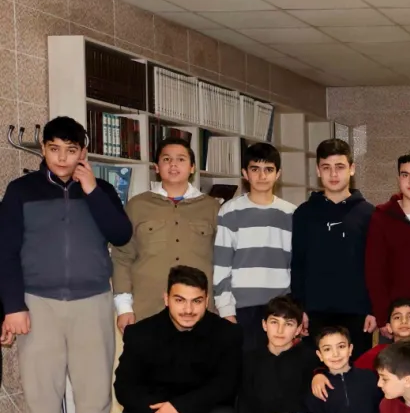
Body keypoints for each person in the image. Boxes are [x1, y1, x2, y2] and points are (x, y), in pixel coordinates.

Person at [1, 116, 132, 413]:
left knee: (94, 389)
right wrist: (12, 306)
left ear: (83, 153)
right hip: (37, 303)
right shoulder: (20, 191)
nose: (62, 158)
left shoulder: (101, 189)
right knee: (41, 390)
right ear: (43, 149)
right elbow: (5, 252)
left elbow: (121, 234)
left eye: (71, 150)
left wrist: (91, 191)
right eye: (54, 149)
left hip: (92, 300)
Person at [110, 266, 242, 413]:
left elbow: (227, 384)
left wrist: (179, 409)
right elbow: (125, 387)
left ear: (206, 301)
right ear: (166, 299)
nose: (188, 310)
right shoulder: (141, 333)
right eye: (180, 300)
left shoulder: (226, 333)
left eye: (196, 301)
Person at [113, 136, 220, 328]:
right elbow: (122, 257)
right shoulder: (137, 205)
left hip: (198, 312)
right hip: (147, 309)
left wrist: (225, 308)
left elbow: (223, 261)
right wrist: (123, 308)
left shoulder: (212, 207)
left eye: (181, 159)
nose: (173, 164)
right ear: (156, 167)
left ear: (192, 168)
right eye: (166, 159)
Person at [292, 138, 376, 359]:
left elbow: (375, 267)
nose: (333, 174)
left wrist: (373, 310)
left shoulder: (369, 214)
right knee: (317, 373)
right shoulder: (304, 213)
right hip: (315, 313)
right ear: (318, 171)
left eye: (340, 166)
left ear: (352, 169)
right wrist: (299, 308)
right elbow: (298, 264)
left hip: (357, 313)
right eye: (326, 167)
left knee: (357, 372)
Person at [213, 142, 294, 353]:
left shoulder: (291, 214)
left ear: (278, 174)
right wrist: (226, 310)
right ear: (244, 173)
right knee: (246, 368)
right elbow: (221, 265)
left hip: (281, 309)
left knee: (279, 368)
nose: (262, 176)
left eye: (269, 169)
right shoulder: (229, 211)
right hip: (242, 309)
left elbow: (295, 265)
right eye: (255, 169)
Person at [365, 149, 410, 338]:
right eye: (406, 175)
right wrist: (383, 317)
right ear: (398, 179)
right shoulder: (381, 217)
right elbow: (374, 273)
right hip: (396, 320)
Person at [348, 299, 410, 381]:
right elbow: (353, 375)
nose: (404, 321)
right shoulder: (377, 353)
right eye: (397, 317)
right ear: (389, 327)